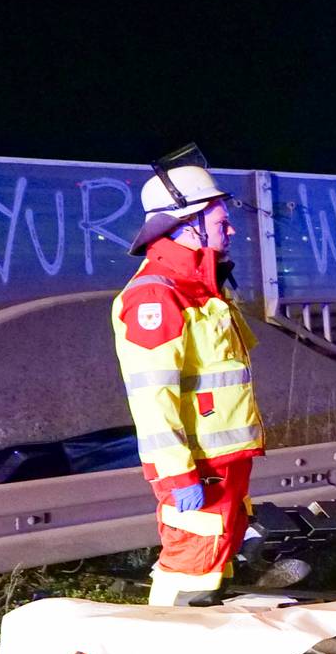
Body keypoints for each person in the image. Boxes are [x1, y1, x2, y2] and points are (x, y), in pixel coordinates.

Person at [111, 148, 264, 607]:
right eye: (220, 222)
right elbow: (152, 397)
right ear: (187, 225)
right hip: (197, 467)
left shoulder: (202, 288)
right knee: (190, 565)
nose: (231, 229)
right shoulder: (156, 295)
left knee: (211, 564)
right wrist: (178, 478)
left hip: (221, 460)